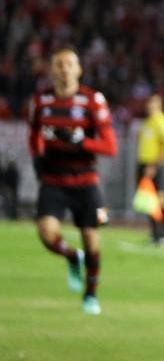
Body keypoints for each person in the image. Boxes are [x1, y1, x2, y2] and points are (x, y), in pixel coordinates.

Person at [27, 46, 118, 315]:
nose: (64, 69)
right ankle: (71, 256)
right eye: (58, 64)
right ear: (51, 70)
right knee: (46, 234)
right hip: (54, 178)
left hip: (86, 180)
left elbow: (110, 147)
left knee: (92, 240)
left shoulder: (93, 101)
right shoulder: (41, 102)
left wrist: (81, 140)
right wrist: (37, 158)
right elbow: (33, 136)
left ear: (79, 69)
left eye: (69, 64)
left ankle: (91, 295)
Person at [136, 94, 164, 245]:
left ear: (160, 105)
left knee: (160, 199)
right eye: (149, 103)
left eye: (153, 103)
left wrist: (154, 166)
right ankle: (155, 233)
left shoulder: (161, 122)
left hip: (155, 165)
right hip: (144, 163)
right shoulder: (147, 122)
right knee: (149, 201)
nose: (150, 106)